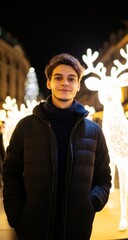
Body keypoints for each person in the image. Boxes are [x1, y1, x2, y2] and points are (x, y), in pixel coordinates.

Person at [2, 53, 112, 240]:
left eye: (71, 79)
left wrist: (92, 203)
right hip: (32, 228)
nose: (65, 83)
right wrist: (17, 214)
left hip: (77, 229)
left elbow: (103, 176)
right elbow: (11, 173)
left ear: (78, 85)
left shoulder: (94, 131)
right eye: (58, 77)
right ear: (49, 83)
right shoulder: (25, 126)